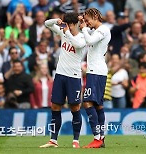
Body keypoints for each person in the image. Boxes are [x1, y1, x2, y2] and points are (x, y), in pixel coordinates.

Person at [39, 12, 86, 148]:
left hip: (74, 77)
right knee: (55, 106)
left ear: (76, 24)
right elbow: (47, 24)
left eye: (71, 24)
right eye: (68, 24)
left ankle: (76, 140)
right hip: (60, 75)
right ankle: (53, 140)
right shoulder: (64, 31)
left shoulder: (83, 37)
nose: (69, 27)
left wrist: (67, 33)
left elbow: (77, 45)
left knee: (75, 107)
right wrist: (57, 20)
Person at [79, 8, 111, 148]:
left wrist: (84, 28)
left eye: (88, 20)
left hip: (96, 71)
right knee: (98, 104)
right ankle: (101, 138)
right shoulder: (95, 30)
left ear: (96, 16)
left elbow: (89, 38)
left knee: (87, 102)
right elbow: (85, 35)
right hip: (96, 71)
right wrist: (82, 24)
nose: (86, 23)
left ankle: (97, 138)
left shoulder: (103, 30)